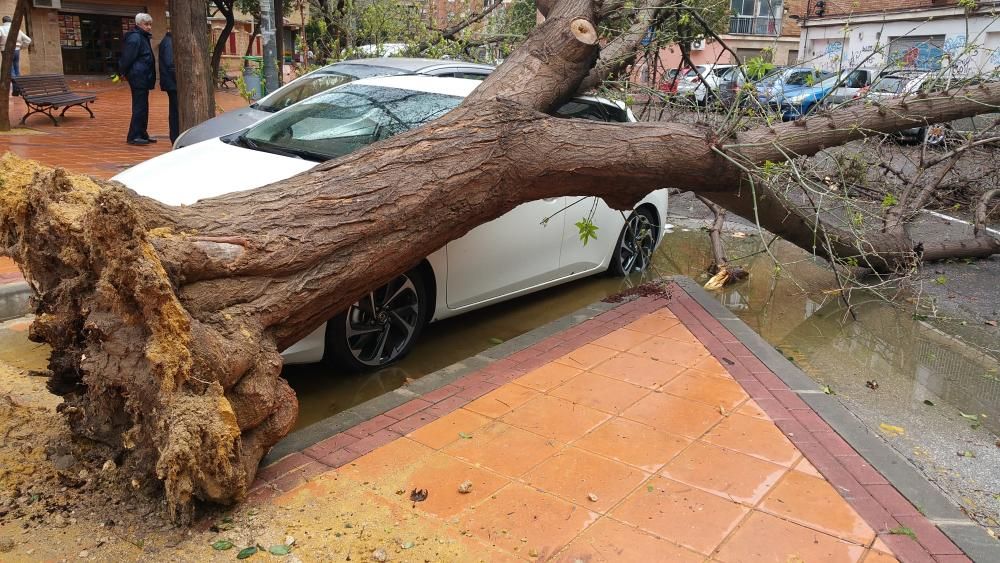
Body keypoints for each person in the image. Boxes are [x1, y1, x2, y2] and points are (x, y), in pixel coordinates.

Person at [119, 13, 156, 146]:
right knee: (139, 107)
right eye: (146, 24)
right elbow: (127, 58)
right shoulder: (135, 38)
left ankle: (142, 133)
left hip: (143, 76)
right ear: (139, 24)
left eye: (150, 24)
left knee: (143, 107)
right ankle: (134, 135)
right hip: (138, 76)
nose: (149, 27)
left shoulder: (142, 37)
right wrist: (122, 72)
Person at [0, 14, 32, 94]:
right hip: (17, 50)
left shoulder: (1, 28)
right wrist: (21, 47)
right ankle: (17, 90)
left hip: (6, 51)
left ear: (3, 21)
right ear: (11, 21)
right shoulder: (17, 29)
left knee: (10, 71)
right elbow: (28, 40)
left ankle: (18, 89)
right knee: (17, 69)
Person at [158, 31, 178, 144]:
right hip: (172, 84)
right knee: (175, 112)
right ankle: (175, 137)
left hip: (171, 83)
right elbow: (171, 65)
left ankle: (175, 136)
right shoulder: (169, 42)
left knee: (175, 111)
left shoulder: (168, 41)